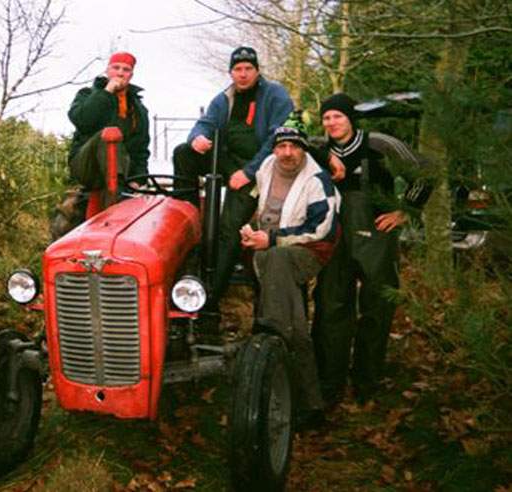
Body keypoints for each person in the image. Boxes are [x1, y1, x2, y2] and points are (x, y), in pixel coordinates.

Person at [311, 93, 432, 406]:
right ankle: (330, 384)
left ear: (351, 118)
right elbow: (287, 141)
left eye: (338, 116)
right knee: (331, 308)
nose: (331, 123)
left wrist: (405, 210)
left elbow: (426, 172)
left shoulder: (380, 144)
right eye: (326, 118)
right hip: (334, 238)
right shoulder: (319, 150)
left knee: (377, 308)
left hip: (376, 237)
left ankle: (366, 381)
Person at [172, 46, 294, 311]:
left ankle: (210, 298)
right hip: (228, 161)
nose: (243, 74)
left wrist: (248, 173)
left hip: (260, 169)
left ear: (257, 71)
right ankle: (188, 214)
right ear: (231, 73)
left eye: (248, 68)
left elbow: (278, 139)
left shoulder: (275, 96)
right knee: (183, 153)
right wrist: (197, 138)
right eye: (238, 69)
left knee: (229, 228)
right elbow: (206, 123)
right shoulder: (224, 98)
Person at [241, 121, 341, 427]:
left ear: (303, 150)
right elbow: (260, 207)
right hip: (270, 248)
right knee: (283, 292)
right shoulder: (266, 168)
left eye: (294, 147)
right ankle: (301, 396)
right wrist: (250, 230)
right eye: (282, 146)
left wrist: (272, 240)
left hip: (308, 251)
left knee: (279, 274)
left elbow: (320, 230)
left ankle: (272, 336)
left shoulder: (318, 181)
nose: (287, 153)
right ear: (274, 150)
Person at [50, 51, 149, 239]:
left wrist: (138, 180)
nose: (120, 73)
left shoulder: (138, 109)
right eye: (116, 68)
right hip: (88, 166)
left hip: (123, 172)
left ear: (131, 75)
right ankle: (115, 202)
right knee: (108, 136)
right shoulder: (87, 95)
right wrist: (107, 92)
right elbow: (83, 120)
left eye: (126, 70)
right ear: (107, 70)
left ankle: (121, 200)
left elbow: (141, 148)